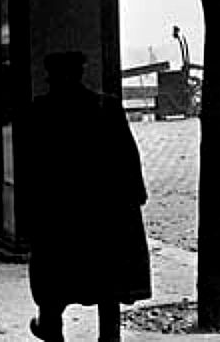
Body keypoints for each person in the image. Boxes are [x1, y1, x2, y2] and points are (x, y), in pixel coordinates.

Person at [24, 51, 151, 342]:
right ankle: (109, 337)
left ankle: (51, 331)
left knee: (53, 281)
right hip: (103, 215)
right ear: (81, 73)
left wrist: (31, 214)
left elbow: (32, 168)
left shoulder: (40, 111)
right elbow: (129, 159)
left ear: (51, 77)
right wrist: (134, 199)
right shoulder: (108, 107)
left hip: (59, 215)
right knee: (107, 283)